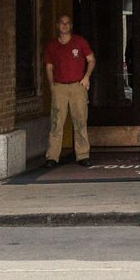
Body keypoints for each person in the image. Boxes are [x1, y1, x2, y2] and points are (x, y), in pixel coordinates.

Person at [41, 13, 95, 168]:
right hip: (60, 87)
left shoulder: (80, 42)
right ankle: (52, 156)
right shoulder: (52, 46)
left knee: (80, 121)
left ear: (71, 26)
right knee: (56, 122)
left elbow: (91, 59)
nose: (64, 26)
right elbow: (49, 67)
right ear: (57, 26)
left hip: (78, 86)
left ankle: (83, 155)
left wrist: (86, 77)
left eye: (67, 23)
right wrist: (51, 85)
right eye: (62, 23)